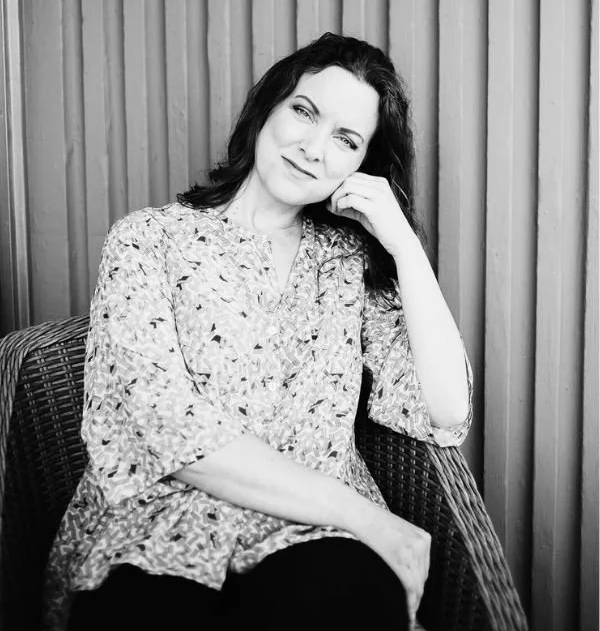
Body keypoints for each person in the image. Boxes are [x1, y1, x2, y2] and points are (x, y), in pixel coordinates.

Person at [44, 32, 472, 631]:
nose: (313, 149)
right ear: (266, 108)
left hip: (312, 538)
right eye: (305, 111)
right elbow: (162, 424)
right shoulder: (148, 240)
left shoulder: (347, 261)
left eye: (346, 140)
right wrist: (367, 516)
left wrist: (403, 242)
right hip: (159, 527)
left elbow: (446, 410)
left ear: (360, 166)